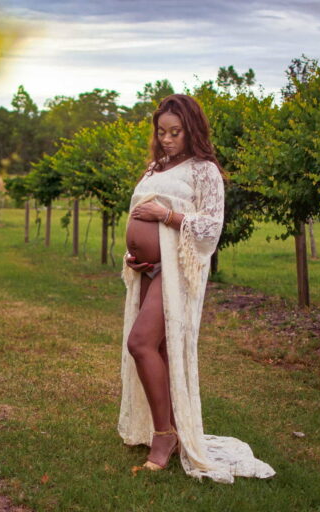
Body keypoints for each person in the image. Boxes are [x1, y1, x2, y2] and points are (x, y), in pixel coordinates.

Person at [117, 94, 276, 484]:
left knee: (140, 343)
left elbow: (210, 228)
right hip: (152, 270)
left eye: (176, 132)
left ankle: (165, 436)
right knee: (157, 349)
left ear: (192, 131)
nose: (168, 139)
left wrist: (165, 215)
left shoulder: (204, 171)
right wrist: (135, 255)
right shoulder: (155, 168)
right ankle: (165, 427)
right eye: (162, 132)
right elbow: (140, 217)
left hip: (180, 272)